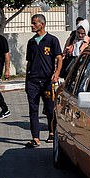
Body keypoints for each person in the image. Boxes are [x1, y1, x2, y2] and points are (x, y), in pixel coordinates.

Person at [25, 14, 62, 148]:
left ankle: (52, 132)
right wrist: (27, 81)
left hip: (47, 81)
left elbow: (59, 58)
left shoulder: (52, 40)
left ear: (42, 24)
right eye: (32, 23)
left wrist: (56, 74)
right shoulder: (31, 42)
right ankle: (35, 138)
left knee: (50, 108)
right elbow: (29, 62)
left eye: (34, 23)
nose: (32, 25)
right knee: (33, 109)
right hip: (33, 81)